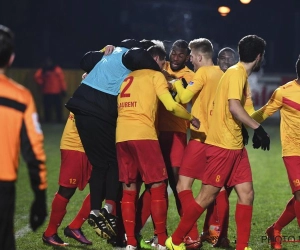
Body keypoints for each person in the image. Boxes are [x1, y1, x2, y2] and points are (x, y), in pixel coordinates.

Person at [165, 34, 270, 250]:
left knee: (247, 194)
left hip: (235, 145)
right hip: (222, 145)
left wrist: (267, 111)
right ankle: (175, 241)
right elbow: (234, 106)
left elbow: (243, 110)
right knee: (206, 197)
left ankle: (242, 246)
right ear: (259, 57)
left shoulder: (237, 74)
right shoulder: (236, 74)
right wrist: (257, 128)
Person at [65, 39, 162, 241]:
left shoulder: (108, 57)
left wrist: (103, 51)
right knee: (115, 162)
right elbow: (137, 55)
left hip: (80, 107)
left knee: (100, 164)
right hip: (100, 112)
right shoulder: (127, 55)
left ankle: (95, 211)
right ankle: (109, 207)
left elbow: (84, 60)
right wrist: (159, 72)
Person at [116, 44, 200, 250]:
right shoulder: (155, 76)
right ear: (155, 61)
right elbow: (171, 106)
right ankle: (161, 240)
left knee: (129, 188)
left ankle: (131, 242)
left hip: (122, 136)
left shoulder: (126, 78)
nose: (167, 63)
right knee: (159, 186)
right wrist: (191, 118)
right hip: (145, 135)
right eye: (164, 60)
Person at [135, 39, 194, 247]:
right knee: (154, 185)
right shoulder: (160, 66)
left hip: (176, 133)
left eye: (181, 55)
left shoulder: (190, 76)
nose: (176, 57)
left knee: (178, 185)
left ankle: (190, 233)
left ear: (188, 57)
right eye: (173, 54)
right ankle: (147, 232)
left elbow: (181, 93)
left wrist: (167, 78)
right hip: (155, 131)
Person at [168, 38, 224, 249]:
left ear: (199, 57)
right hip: (219, 139)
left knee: (183, 186)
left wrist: (175, 83)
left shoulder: (201, 73)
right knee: (215, 189)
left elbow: (184, 96)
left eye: (191, 56)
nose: (190, 60)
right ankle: (216, 234)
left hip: (200, 138)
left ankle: (189, 235)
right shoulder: (222, 73)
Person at [0, 24, 47, 250]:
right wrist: (40, 195)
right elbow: (34, 150)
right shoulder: (20, 96)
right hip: (3, 183)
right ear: (11, 59)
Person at [251, 55, 300, 250]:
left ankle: (275, 229)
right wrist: (242, 121)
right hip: (292, 151)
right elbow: (263, 112)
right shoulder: (284, 92)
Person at [200, 47, 239, 247]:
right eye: (222, 57)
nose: (225, 60)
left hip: (232, 142)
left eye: (229, 58)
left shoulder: (237, 79)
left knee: (222, 191)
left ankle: (211, 232)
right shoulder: (212, 75)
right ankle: (218, 235)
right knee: (216, 190)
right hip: (214, 142)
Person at [42, 112, 93, 246]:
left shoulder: (93, 91)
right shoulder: (92, 92)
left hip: (92, 147)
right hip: (75, 145)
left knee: (102, 187)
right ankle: (49, 233)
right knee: (66, 190)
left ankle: (74, 227)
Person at [34, 57, 67, 123]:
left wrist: (63, 90)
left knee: (57, 108)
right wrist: (41, 82)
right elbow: (37, 77)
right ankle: (48, 120)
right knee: (47, 108)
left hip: (55, 92)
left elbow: (61, 81)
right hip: (47, 92)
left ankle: (58, 120)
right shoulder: (44, 70)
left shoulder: (56, 69)